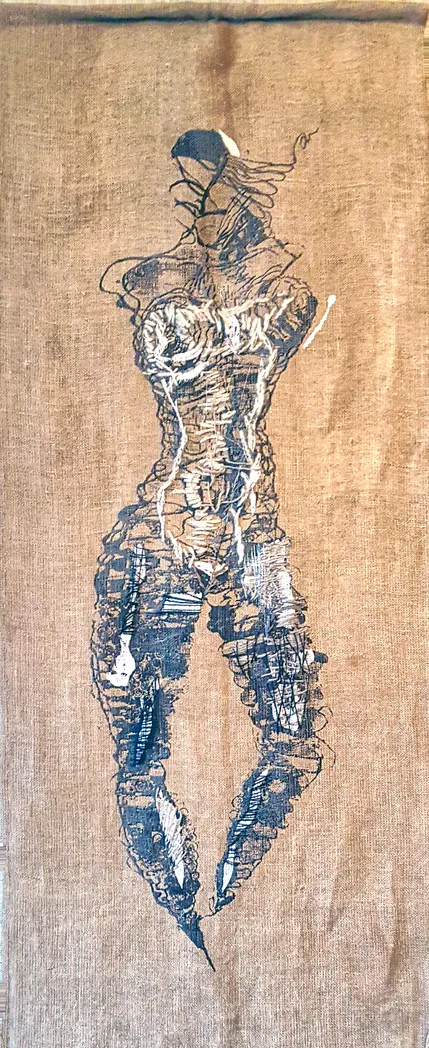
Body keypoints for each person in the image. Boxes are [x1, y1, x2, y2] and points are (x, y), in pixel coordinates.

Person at [91, 128, 327, 967]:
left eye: (213, 190)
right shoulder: (152, 283)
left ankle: (230, 899)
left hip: (251, 533)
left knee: (293, 736)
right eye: (189, 192)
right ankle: (177, 908)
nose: (195, 206)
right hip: (167, 533)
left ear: (248, 196)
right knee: (138, 747)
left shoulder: (286, 291)